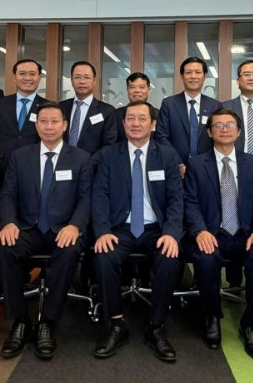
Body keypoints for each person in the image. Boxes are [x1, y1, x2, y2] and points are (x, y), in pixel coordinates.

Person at [0, 102, 93, 360]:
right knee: (5, 248)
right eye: (43, 122)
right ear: (36, 125)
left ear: (64, 126)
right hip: (27, 227)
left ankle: (48, 321)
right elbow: (7, 194)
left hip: (63, 229)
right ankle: (19, 321)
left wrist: (75, 225)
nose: (48, 127)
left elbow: (86, 199)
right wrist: (8, 222)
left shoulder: (81, 158)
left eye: (54, 122)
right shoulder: (21, 155)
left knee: (70, 252)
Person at [93, 101, 184, 362]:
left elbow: (176, 199)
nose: (135, 123)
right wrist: (102, 231)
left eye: (141, 118)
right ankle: (116, 324)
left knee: (169, 260)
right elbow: (99, 196)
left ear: (153, 125)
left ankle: (156, 326)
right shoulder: (109, 155)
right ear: (123, 124)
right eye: (130, 118)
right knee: (103, 257)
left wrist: (171, 233)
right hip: (119, 229)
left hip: (156, 229)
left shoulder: (166, 155)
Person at [183, 108, 253, 360]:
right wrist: (199, 230)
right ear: (210, 132)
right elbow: (189, 202)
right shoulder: (196, 163)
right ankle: (212, 316)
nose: (224, 129)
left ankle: (251, 325)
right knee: (205, 258)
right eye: (218, 126)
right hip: (212, 232)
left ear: (239, 131)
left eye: (230, 125)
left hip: (246, 234)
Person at [156, 56, 222, 174]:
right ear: (182, 76)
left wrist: (208, 163)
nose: (193, 76)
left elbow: (218, 137)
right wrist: (178, 163)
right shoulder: (169, 104)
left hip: (207, 168)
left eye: (198, 72)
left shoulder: (215, 106)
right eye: (188, 72)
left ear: (204, 76)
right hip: (175, 168)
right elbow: (162, 137)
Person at [0, 58, 47, 181]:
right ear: (15, 77)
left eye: (32, 74)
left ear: (39, 77)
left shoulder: (47, 106)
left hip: (35, 169)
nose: (27, 78)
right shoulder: (1, 104)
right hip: (2, 168)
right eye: (22, 74)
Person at [59, 61, 118, 158]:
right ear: (72, 81)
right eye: (77, 77)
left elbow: (109, 145)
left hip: (92, 168)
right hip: (61, 166)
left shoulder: (107, 111)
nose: (82, 81)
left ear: (94, 81)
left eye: (87, 77)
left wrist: (86, 165)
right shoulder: (60, 108)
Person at [114, 72, 159, 142]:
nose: (137, 91)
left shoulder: (159, 114)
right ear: (127, 90)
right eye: (132, 87)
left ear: (149, 90)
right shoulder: (116, 115)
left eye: (141, 87)